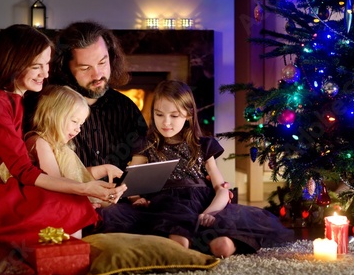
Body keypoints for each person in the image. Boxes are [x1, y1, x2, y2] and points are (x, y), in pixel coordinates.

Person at [0, 24, 126, 244]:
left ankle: (68, 254)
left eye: (47, 64)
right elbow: (23, 171)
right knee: (67, 204)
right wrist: (83, 188)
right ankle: (65, 256)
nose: (45, 73)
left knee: (70, 201)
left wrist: (87, 187)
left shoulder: (18, 99)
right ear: (14, 64)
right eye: (36, 67)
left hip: (7, 178)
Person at [98, 80, 294, 258]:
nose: (166, 122)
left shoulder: (203, 145)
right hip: (165, 206)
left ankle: (211, 242)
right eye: (159, 114)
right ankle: (189, 247)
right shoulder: (145, 144)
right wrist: (135, 198)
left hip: (202, 203)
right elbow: (132, 183)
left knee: (222, 247)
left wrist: (211, 212)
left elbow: (221, 188)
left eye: (174, 115)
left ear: (188, 115)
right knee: (176, 240)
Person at [44, 20, 148, 171]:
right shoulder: (49, 108)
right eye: (85, 68)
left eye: (102, 63)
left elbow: (142, 155)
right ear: (65, 68)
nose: (98, 75)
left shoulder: (125, 107)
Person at [25, 84, 125, 216]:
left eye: (81, 124)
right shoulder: (40, 142)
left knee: (116, 208)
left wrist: (105, 169)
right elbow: (57, 182)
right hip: (49, 203)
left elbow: (75, 174)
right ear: (53, 115)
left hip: (67, 194)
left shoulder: (60, 146)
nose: (78, 129)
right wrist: (83, 202)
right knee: (114, 213)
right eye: (74, 121)